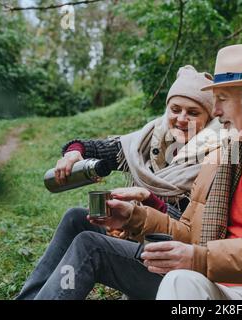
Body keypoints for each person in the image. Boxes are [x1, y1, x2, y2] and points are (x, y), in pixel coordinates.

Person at [26, 45, 242, 300]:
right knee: (181, 281)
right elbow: (190, 232)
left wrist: (201, 257)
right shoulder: (225, 156)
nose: (216, 111)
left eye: (222, 100)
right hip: (227, 293)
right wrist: (136, 217)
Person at [16, 65, 221, 300]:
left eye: (193, 113)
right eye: (175, 109)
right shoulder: (151, 141)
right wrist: (74, 153)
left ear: (209, 118)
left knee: (89, 244)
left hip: (176, 268)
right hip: (141, 240)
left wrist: (144, 205)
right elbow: (95, 148)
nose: (181, 119)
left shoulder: (214, 158)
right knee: (75, 218)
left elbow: (193, 232)